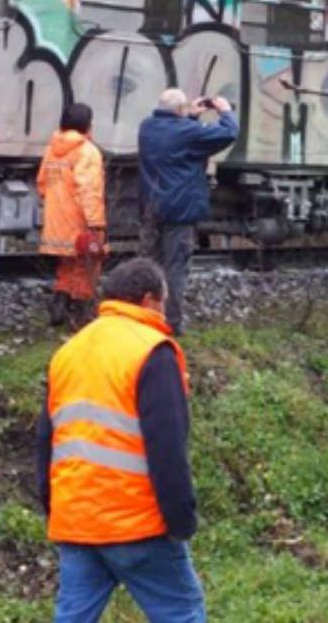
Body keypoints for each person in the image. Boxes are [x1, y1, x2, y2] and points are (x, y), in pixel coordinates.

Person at [35, 258, 203, 621]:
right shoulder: (152, 351)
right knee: (181, 612)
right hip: (135, 522)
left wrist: (55, 508)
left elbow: (46, 441)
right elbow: (167, 447)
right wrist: (180, 520)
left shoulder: (68, 352)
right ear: (149, 300)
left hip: (77, 520)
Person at [138, 89, 238, 335]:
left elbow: (178, 141)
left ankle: (143, 317)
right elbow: (228, 133)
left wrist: (190, 117)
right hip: (180, 211)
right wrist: (225, 111)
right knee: (175, 268)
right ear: (180, 110)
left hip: (151, 207)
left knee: (149, 265)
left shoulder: (147, 127)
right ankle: (171, 323)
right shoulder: (186, 132)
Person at [37, 103, 106, 330]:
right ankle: (80, 318)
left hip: (56, 223)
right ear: (88, 124)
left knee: (65, 267)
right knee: (85, 269)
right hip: (79, 222)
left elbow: (42, 184)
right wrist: (96, 224)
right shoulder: (87, 151)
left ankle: (58, 309)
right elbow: (89, 190)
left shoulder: (52, 148)